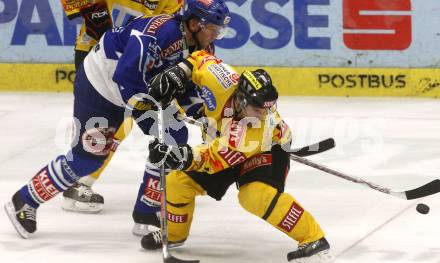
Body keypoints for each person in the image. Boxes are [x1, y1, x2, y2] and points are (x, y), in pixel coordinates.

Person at [4, 1, 230, 239]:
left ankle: (147, 213)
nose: (216, 36)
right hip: (100, 85)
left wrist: (202, 116)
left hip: (134, 88)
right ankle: (24, 200)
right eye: (214, 29)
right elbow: (125, 76)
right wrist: (152, 110)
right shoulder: (159, 33)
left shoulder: (202, 47)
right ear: (194, 24)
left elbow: (187, 87)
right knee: (88, 157)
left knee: (174, 137)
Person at [139, 50, 331, 262]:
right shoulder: (222, 79)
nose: (264, 114)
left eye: (268, 108)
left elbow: (213, 159)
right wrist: (176, 74)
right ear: (241, 98)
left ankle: (313, 239)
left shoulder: (258, 128)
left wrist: (178, 155)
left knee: (255, 195)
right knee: (177, 182)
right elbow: (199, 58)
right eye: (258, 108)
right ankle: (174, 235)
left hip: (268, 149)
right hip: (223, 142)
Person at [60, 0, 186, 215]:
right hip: (98, 51)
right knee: (110, 122)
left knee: (128, 119)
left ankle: (80, 176)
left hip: (134, 56)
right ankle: (79, 178)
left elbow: (170, 27)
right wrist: (91, 12)